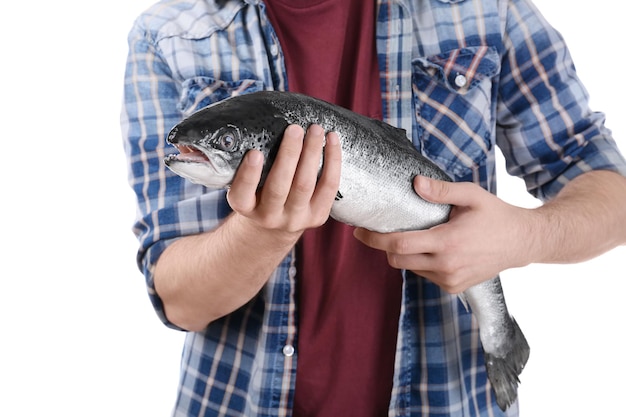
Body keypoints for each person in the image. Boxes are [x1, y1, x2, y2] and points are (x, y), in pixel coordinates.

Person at [121, 0, 626, 416]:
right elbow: (179, 299)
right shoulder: (166, 34)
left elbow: (614, 194)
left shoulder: (489, 10)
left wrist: (524, 236)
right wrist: (262, 232)